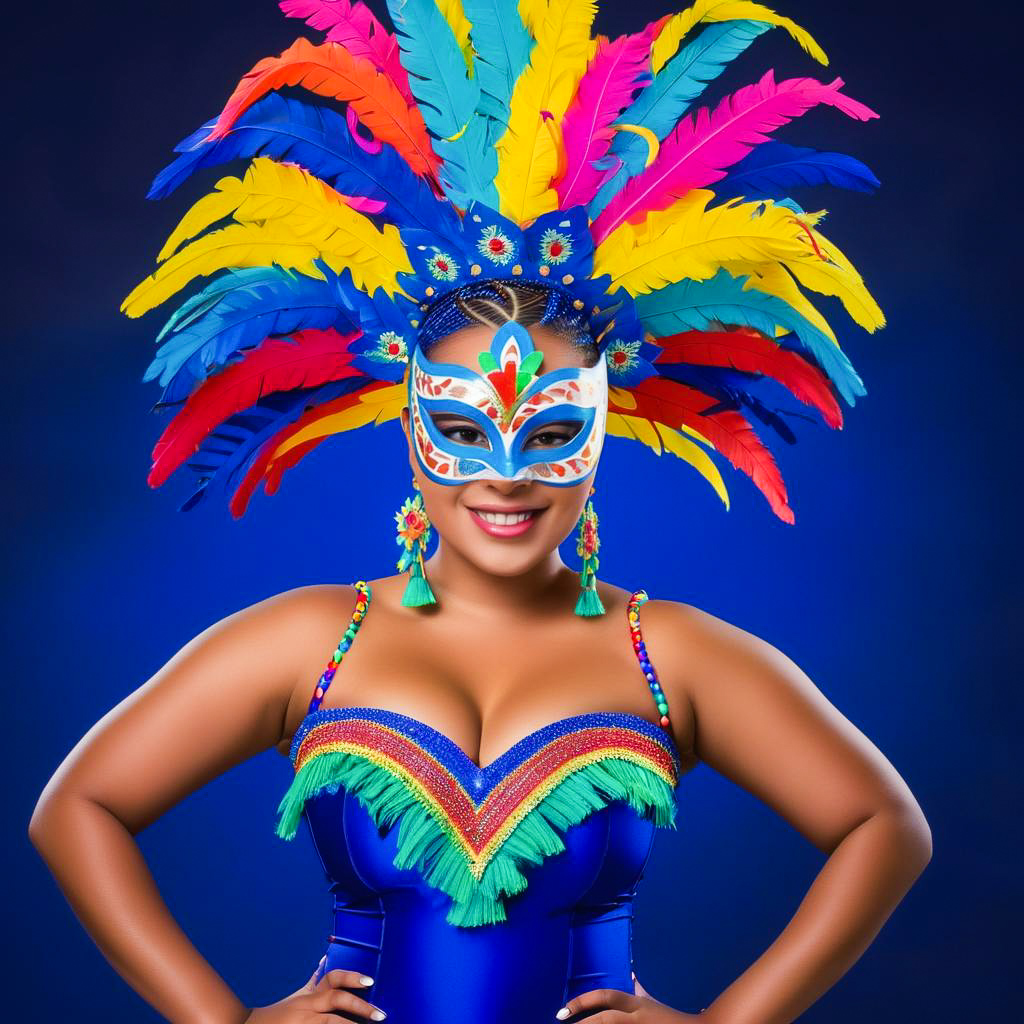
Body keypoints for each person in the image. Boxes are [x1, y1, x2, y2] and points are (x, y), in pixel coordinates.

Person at [29, 2, 932, 1022]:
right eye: (463, 431)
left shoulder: (667, 654)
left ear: (603, 438)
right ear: (407, 426)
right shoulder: (311, 640)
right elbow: (79, 808)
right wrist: (222, 1020)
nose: (504, 476)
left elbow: (882, 824)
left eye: (548, 436)